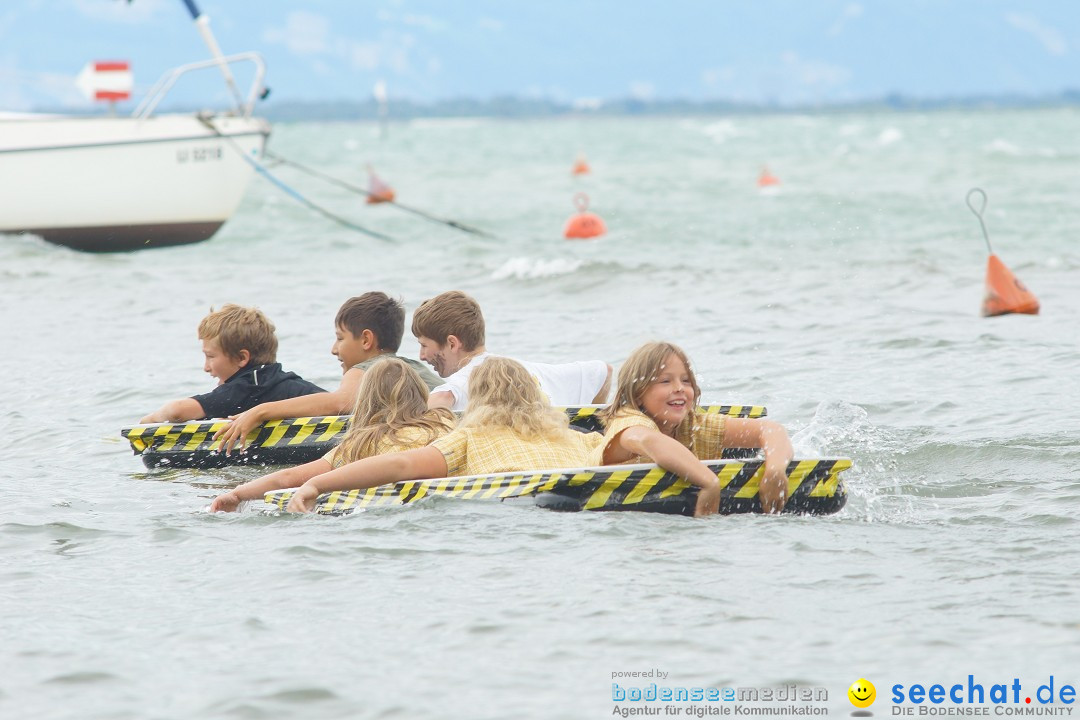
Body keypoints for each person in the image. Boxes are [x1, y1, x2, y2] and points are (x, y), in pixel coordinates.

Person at [285, 357, 604, 513]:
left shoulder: (468, 436)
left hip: (518, 508)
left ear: (477, 398)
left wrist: (316, 484)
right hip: (584, 500)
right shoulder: (577, 437)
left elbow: (400, 466)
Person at [209, 359, 454, 512]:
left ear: (366, 402)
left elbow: (288, 478)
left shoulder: (361, 445)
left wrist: (237, 494)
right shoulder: (443, 424)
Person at [214, 292, 440, 453]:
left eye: (340, 338)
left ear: (366, 340)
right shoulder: (415, 368)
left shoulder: (367, 369)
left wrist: (258, 412)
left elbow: (339, 403)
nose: (334, 349)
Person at [594, 341, 794, 514]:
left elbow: (770, 430)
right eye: (665, 381)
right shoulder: (628, 422)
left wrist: (775, 470)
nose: (679, 388)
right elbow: (649, 440)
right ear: (638, 393)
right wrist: (709, 482)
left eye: (686, 380)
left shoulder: (693, 424)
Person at [410, 290, 612, 412]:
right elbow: (603, 372)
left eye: (424, 345)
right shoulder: (529, 369)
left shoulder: (459, 384)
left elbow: (442, 399)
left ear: (452, 343)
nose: (421, 356)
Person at [140, 304, 324, 423]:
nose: (206, 367)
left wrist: (149, 421)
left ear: (242, 358)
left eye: (210, 357)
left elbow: (176, 411)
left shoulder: (244, 388)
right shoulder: (281, 381)